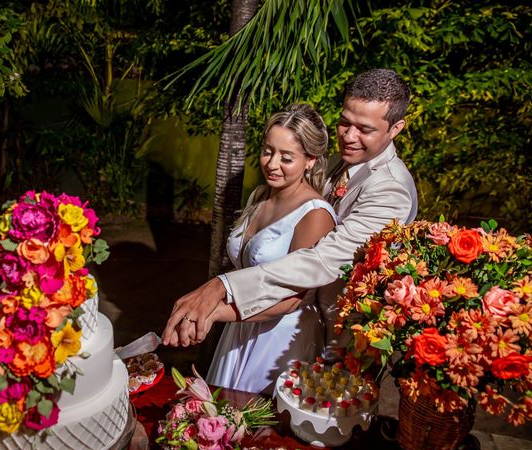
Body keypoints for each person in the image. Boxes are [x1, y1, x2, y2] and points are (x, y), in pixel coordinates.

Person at [162, 68, 418, 359]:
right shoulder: (340, 161)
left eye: (365, 129)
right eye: (344, 122)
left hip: (342, 337)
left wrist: (225, 286)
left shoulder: (391, 190)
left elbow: (321, 260)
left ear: (395, 128)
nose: (348, 136)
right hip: (289, 316)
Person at [204, 103, 337, 394]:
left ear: (310, 160)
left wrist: (212, 312)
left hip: (279, 338)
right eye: (268, 151)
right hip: (239, 325)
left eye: (286, 158)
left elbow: (295, 299)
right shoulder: (261, 195)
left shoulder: (315, 214)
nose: (272, 164)